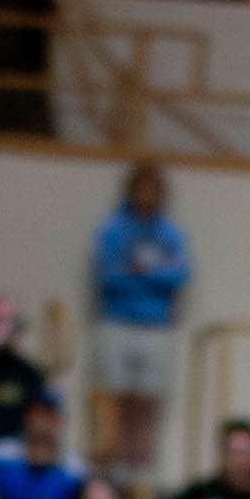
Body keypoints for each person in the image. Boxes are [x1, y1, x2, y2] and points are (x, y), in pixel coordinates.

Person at [89, 161, 191, 478]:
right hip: (117, 321)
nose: (147, 194)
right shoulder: (113, 229)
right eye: (141, 187)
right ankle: (110, 469)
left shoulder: (171, 234)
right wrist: (146, 278)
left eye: (153, 188)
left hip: (156, 326)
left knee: (147, 400)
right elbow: (108, 277)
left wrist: (143, 272)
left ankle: (141, 470)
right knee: (112, 395)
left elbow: (178, 276)